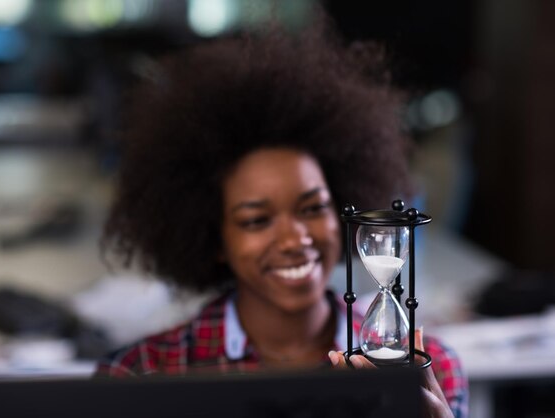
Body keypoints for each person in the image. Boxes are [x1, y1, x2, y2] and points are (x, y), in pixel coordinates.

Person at [96, 15, 468, 418]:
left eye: (313, 208)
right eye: (256, 220)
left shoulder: (430, 369)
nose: (294, 239)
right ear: (214, 238)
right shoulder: (143, 376)